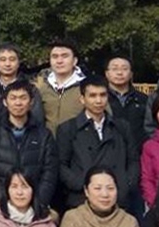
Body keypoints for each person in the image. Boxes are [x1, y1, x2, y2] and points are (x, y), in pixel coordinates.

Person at [57, 76, 139, 212]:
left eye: (103, 95)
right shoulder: (68, 129)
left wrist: (126, 183)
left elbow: (133, 160)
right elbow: (61, 165)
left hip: (118, 199)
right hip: (81, 200)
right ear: (82, 99)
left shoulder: (122, 127)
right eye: (92, 96)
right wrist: (80, 184)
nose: (98, 101)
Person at [0, 80, 58, 214]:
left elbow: (49, 173)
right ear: (5, 102)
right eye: (13, 98)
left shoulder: (44, 135)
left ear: (31, 102)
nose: (18, 103)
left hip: (36, 206)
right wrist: (5, 201)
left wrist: (38, 202)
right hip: (1, 204)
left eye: (23, 98)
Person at [36, 39, 87, 135]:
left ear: (74, 61)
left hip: (78, 141)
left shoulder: (86, 86)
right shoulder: (42, 88)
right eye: (55, 57)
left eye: (64, 56)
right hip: (48, 142)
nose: (59, 61)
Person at [0, 43, 44, 125]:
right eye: (3, 60)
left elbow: (37, 120)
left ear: (18, 63)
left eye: (12, 59)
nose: (7, 64)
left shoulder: (31, 90)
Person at [106, 56, 148, 149]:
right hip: (108, 150)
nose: (119, 73)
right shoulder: (100, 99)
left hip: (138, 151)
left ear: (131, 74)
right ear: (107, 73)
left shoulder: (143, 99)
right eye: (114, 69)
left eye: (124, 69)